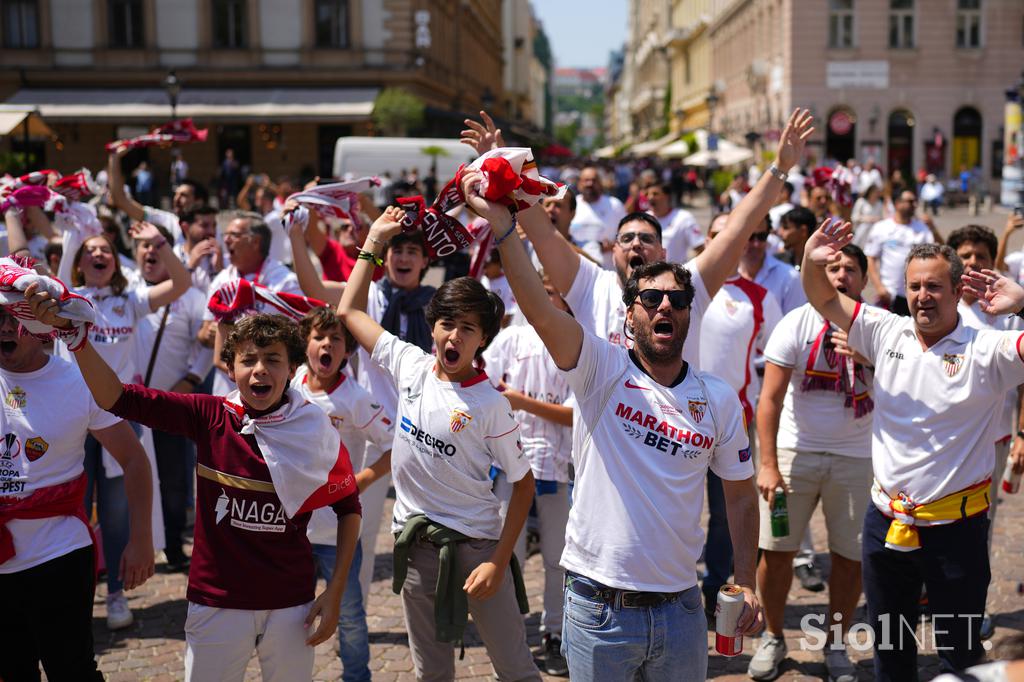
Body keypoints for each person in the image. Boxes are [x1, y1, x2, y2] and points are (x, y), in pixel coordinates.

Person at [462, 172, 763, 681]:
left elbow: (738, 495)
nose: (665, 305)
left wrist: (746, 577)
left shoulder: (716, 399)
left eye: (677, 300)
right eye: (650, 299)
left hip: (683, 611)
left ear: (690, 316)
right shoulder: (599, 368)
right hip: (600, 609)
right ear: (629, 317)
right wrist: (504, 227)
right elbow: (536, 305)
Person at [28, 294, 363, 682]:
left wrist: (335, 592)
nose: (260, 371)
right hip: (216, 601)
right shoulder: (209, 416)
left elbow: (349, 508)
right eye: (249, 359)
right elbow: (117, 398)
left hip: (291, 604)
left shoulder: (315, 428)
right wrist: (77, 341)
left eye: (273, 359)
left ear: (291, 369)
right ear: (229, 365)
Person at [801, 220, 1024, 680]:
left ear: (958, 289)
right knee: (891, 653)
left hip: (956, 531)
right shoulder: (886, 331)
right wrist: (810, 258)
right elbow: (823, 298)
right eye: (915, 286)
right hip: (886, 524)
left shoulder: (987, 349)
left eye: (935, 286)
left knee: (960, 657)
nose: (924, 295)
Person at [336, 206, 540, 682]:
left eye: (468, 328)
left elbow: (523, 485)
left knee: (516, 668)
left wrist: (497, 560)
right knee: (432, 674)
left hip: (476, 550)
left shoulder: (491, 404)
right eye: (447, 323)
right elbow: (349, 311)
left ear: (483, 340)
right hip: (416, 548)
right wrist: (374, 239)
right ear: (433, 327)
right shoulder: (409, 364)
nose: (455, 335)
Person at [511, 109, 816, 363]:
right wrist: (504, 167)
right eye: (627, 238)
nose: (636, 244)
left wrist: (780, 167)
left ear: (663, 253)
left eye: (646, 239)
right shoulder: (592, 286)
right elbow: (545, 235)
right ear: (614, 250)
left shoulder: (685, 289)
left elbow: (737, 229)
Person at [0, 302, 154, 681]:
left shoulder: (78, 382)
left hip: (59, 553)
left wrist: (141, 540)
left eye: (13, 318)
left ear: (40, 327)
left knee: (72, 671)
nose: (4, 328)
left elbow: (134, 461)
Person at [288, 207, 434, 600]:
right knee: (360, 532)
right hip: (375, 434)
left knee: (427, 528)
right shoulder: (366, 295)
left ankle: (431, 610)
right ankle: (352, 614)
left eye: (411, 251)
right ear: (386, 257)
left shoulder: (437, 306)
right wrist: (295, 236)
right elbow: (311, 284)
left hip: (425, 431)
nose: (403, 258)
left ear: (425, 260)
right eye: (396, 250)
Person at [749, 243, 874, 682]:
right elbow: (769, 399)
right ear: (813, 275)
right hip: (794, 456)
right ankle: (772, 635)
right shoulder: (795, 323)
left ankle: (836, 644)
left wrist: (869, 359)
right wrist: (767, 464)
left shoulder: (878, 328)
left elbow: (905, 392)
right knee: (777, 551)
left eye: (850, 269)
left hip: (858, 459)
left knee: (850, 557)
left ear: (864, 278)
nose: (840, 276)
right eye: (831, 267)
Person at [58, 221, 190, 627]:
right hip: (75, 420)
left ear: (116, 263)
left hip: (119, 419)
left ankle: (115, 594)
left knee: (115, 514)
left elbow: (181, 283)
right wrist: (69, 232)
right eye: (90, 250)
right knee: (74, 509)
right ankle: (74, 598)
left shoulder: (129, 299)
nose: (99, 255)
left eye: (106, 251)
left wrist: (159, 242)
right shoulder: (67, 299)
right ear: (79, 263)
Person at [294, 306, 395, 682]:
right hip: (294, 532)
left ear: (347, 352)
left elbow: (395, 445)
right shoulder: (290, 388)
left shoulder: (355, 398)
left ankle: (357, 676)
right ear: (306, 344)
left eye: (336, 339)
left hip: (337, 535)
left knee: (349, 614)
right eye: (319, 337)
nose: (326, 344)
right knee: (290, 614)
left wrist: (362, 479)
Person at [483, 278, 574, 676]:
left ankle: (554, 632)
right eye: (540, 288)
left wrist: (519, 401)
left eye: (554, 291)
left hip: (557, 466)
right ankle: (511, 634)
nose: (547, 297)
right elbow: (485, 389)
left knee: (558, 558)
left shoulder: (574, 340)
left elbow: (574, 413)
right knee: (508, 555)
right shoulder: (509, 339)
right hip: (510, 464)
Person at [947, 224, 1023, 640]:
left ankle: (972, 608)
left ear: (993, 261)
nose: (973, 262)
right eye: (966, 255)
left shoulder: (1008, 315)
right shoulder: (941, 307)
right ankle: (931, 597)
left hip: (992, 442)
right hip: (941, 441)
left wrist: (1022, 434)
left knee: (980, 527)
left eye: (981, 256)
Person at [134, 224, 213, 571]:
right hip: (127, 406)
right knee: (130, 476)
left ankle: (173, 544)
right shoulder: (127, 290)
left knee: (172, 479)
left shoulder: (192, 297)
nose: (149, 253)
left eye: (156, 246)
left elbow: (209, 344)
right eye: (142, 247)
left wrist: (192, 379)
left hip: (168, 403)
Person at [200, 211, 302, 394]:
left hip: (269, 393)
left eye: (234, 235)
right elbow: (204, 333)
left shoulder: (285, 282)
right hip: (227, 394)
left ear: (256, 242)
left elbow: (298, 336)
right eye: (226, 235)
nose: (227, 240)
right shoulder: (222, 281)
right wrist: (211, 334)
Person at [864, 190, 935, 315]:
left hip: (916, 294)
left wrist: (933, 227)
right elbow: (870, 258)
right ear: (897, 204)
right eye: (910, 201)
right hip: (890, 293)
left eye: (915, 201)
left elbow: (937, 253)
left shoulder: (922, 228)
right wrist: (879, 287)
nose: (914, 204)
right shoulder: (882, 228)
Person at [568, 166, 626, 269]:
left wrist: (613, 245)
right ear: (579, 184)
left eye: (594, 180)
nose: (590, 184)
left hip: (608, 269)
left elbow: (627, 234)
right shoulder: (571, 205)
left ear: (600, 183)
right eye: (586, 180)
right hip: (576, 268)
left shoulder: (614, 205)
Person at [644, 181, 704, 263]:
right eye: (647, 194)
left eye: (655, 194)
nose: (650, 197)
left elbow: (700, 248)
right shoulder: (644, 219)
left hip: (675, 274)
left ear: (667, 196)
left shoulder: (684, 218)